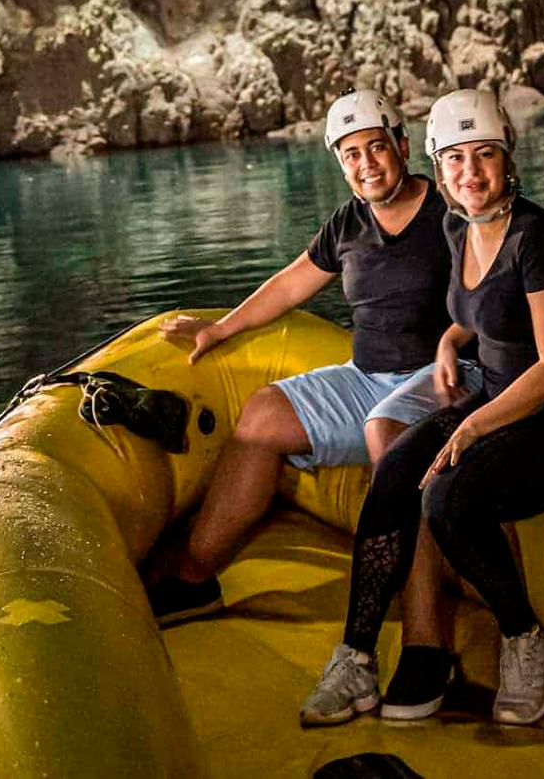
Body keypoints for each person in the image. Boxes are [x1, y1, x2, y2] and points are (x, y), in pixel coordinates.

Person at [299, 87, 544, 729]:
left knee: (449, 501)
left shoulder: (541, 238)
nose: (470, 174)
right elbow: (478, 314)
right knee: (395, 470)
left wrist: (473, 423)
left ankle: (523, 638)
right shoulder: (458, 226)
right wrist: (452, 340)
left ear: (508, 159)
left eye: (484, 156)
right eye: (454, 160)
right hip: (503, 398)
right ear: (438, 167)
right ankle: (356, 654)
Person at [149, 87, 484, 714]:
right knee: (262, 416)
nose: (366, 164)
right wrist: (220, 328)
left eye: (376, 148)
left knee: (399, 455)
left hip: (442, 379)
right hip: (367, 377)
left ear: (403, 148)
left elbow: (520, 262)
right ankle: (195, 574)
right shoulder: (348, 223)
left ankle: (427, 650)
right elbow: (292, 283)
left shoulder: (450, 207)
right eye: (351, 154)